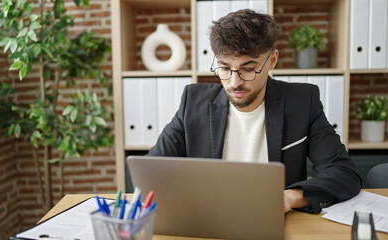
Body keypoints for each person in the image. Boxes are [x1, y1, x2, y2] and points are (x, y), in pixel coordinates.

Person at [148, 9, 361, 214]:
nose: (234, 82)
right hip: (206, 220)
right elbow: (151, 170)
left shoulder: (303, 102)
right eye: (224, 68)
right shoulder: (193, 102)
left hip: (272, 220)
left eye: (248, 69)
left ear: (272, 60)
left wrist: (289, 198)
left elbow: (344, 172)